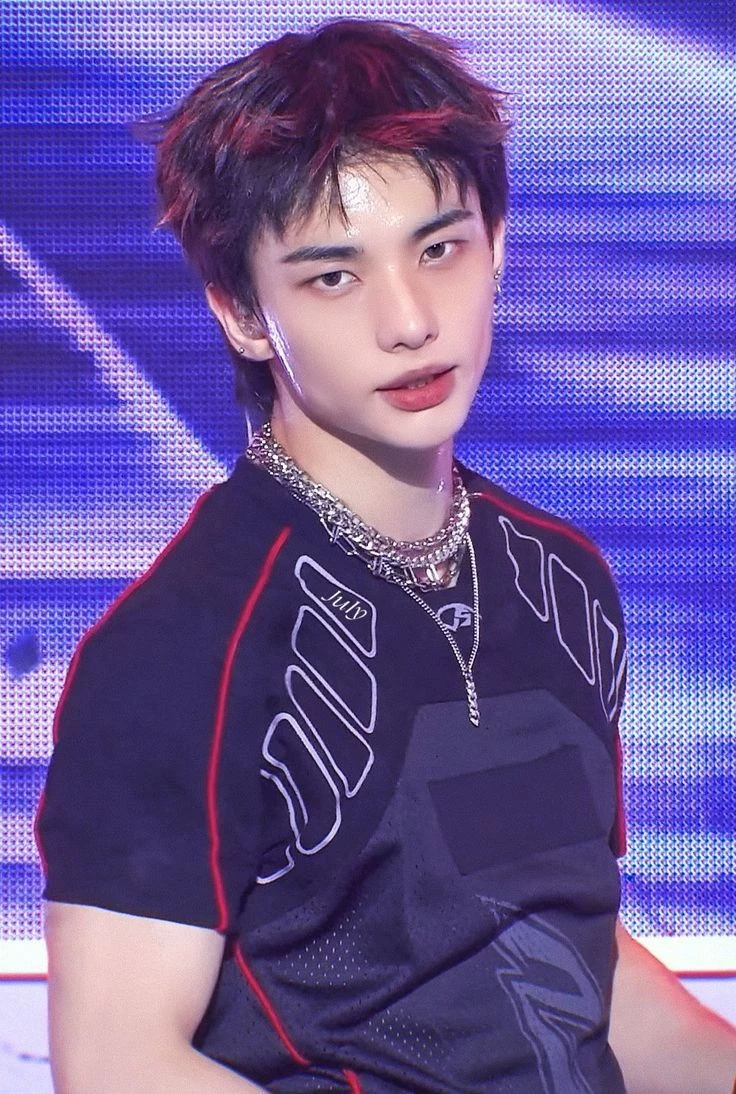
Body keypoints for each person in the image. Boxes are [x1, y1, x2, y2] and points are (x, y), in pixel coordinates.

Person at [36, 18, 736, 1094]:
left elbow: (566, 964)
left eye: (438, 249)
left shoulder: (559, 578)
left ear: (496, 243)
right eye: (333, 276)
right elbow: (118, 1062)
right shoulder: (178, 651)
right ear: (243, 312)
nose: (410, 321)